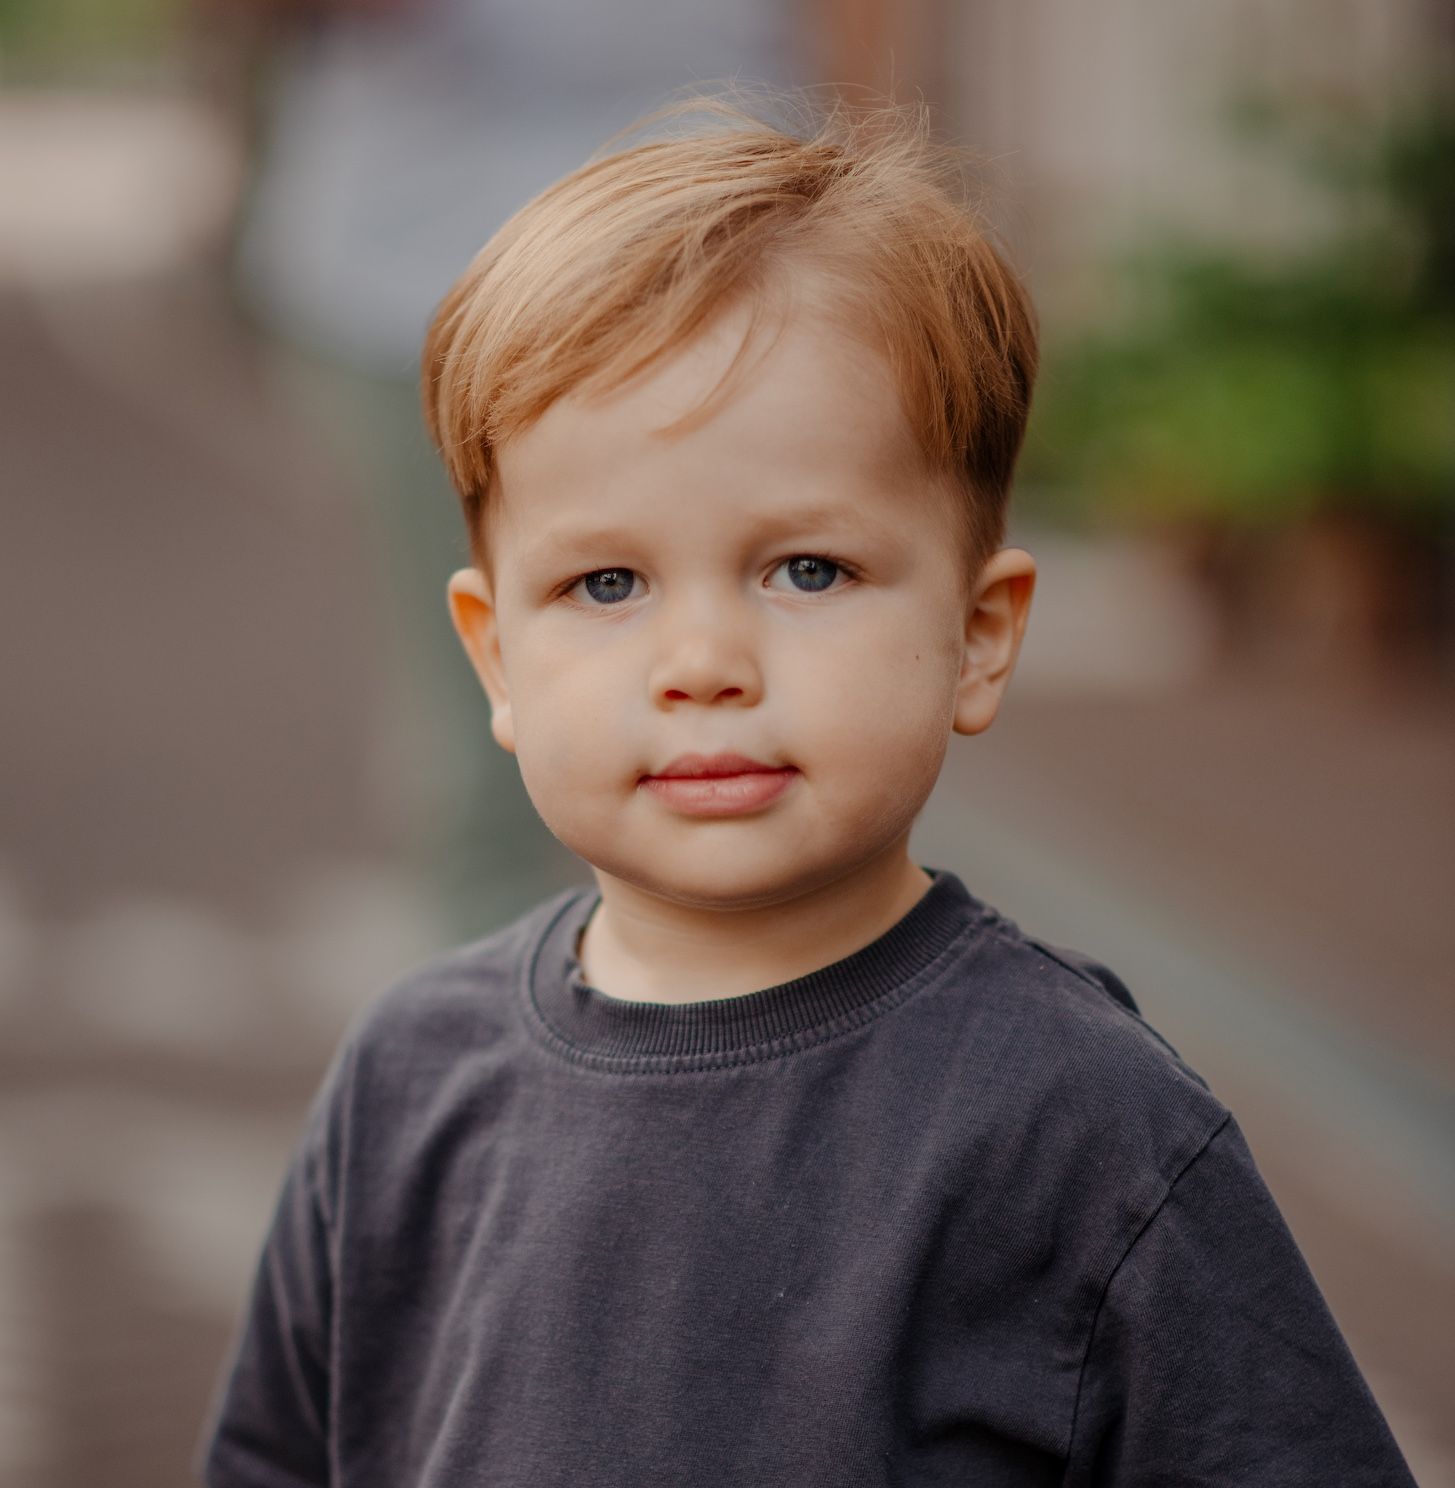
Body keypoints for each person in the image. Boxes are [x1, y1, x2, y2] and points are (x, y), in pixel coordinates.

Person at [176, 90, 1446, 1488]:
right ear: (493, 649)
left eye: (807, 566)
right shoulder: (408, 1075)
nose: (701, 659)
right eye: (603, 580)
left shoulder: (1079, 1121)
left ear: (980, 629)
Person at [221, 0, 936, 944]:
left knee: (771, 674)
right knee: (493, 726)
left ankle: (743, 992)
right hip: (419, 275)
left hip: (715, 257)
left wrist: (872, 231)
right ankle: (497, 1007)